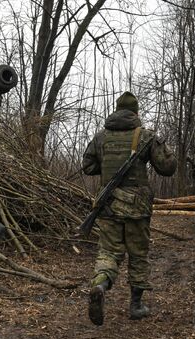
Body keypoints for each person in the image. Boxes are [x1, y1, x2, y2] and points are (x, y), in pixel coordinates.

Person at [82, 91, 176, 326]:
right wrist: (165, 147)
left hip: (109, 206)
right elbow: (167, 168)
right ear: (135, 112)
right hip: (137, 209)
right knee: (138, 254)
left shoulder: (101, 137)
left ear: (117, 110)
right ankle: (136, 306)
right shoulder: (145, 136)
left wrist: (107, 169)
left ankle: (100, 285)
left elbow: (88, 166)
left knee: (109, 252)